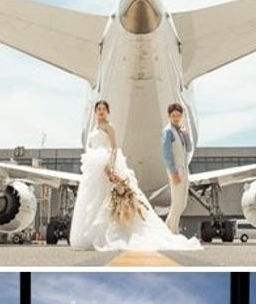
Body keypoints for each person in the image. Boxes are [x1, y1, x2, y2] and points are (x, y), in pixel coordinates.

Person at [70, 100, 200, 251]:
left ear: (108, 112)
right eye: (98, 109)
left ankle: (167, 229)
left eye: (104, 109)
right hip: (94, 167)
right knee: (95, 200)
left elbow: (114, 148)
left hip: (107, 164)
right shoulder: (95, 129)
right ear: (95, 112)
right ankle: (95, 236)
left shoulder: (109, 127)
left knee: (111, 199)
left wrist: (111, 166)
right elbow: (167, 154)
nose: (101, 111)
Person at [160, 103, 192, 235]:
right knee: (177, 201)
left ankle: (168, 228)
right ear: (169, 116)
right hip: (176, 170)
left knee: (183, 202)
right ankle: (172, 230)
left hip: (184, 169)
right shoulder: (167, 131)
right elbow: (166, 154)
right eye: (173, 115)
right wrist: (173, 173)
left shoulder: (180, 130)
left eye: (178, 115)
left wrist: (186, 135)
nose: (176, 118)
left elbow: (189, 149)